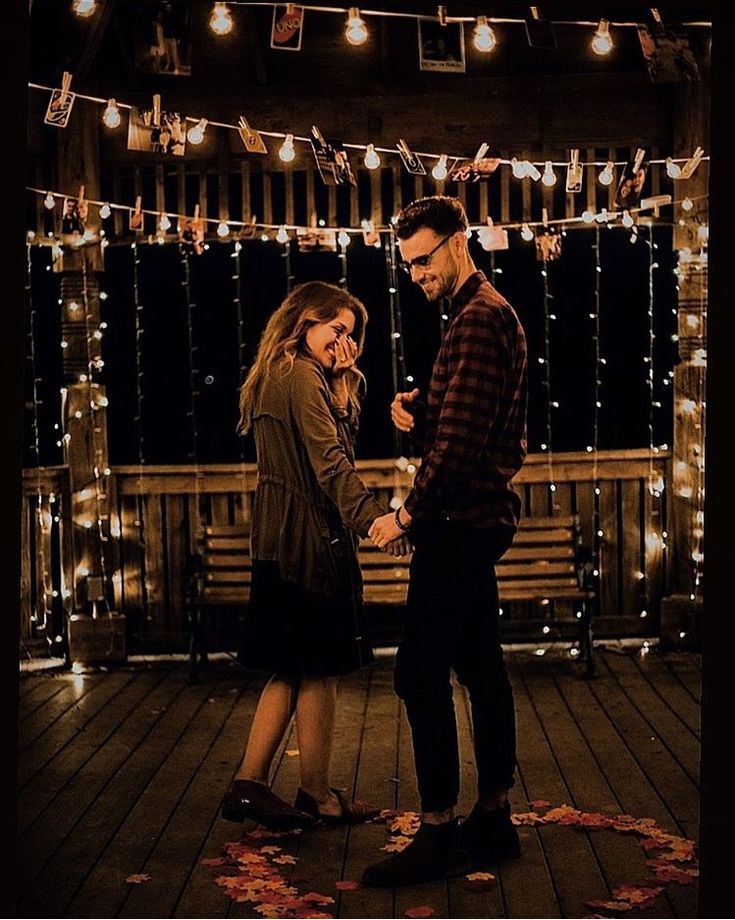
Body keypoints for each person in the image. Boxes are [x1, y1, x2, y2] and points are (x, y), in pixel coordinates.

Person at [362, 196, 528, 886]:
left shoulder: (478, 319)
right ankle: (491, 821)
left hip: (459, 525)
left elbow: (460, 449)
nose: (416, 275)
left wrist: (404, 518)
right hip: (475, 521)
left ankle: (438, 834)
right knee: (480, 666)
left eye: (425, 258)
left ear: (459, 242)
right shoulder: (477, 316)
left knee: (417, 673)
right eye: (407, 265)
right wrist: (420, 413)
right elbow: (465, 424)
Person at [221, 281, 410, 830]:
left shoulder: (279, 372)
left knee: (295, 666)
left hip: (279, 536)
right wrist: (375, 520)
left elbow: (325, 450)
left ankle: (257, 784)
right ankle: (309, 793)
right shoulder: (301, 375)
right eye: (337, 330)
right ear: (306, 321)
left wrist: (341, 381)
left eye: (352, 335)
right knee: (317, 668)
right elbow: (330, 464)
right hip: (305, 540)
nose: (345, 342)